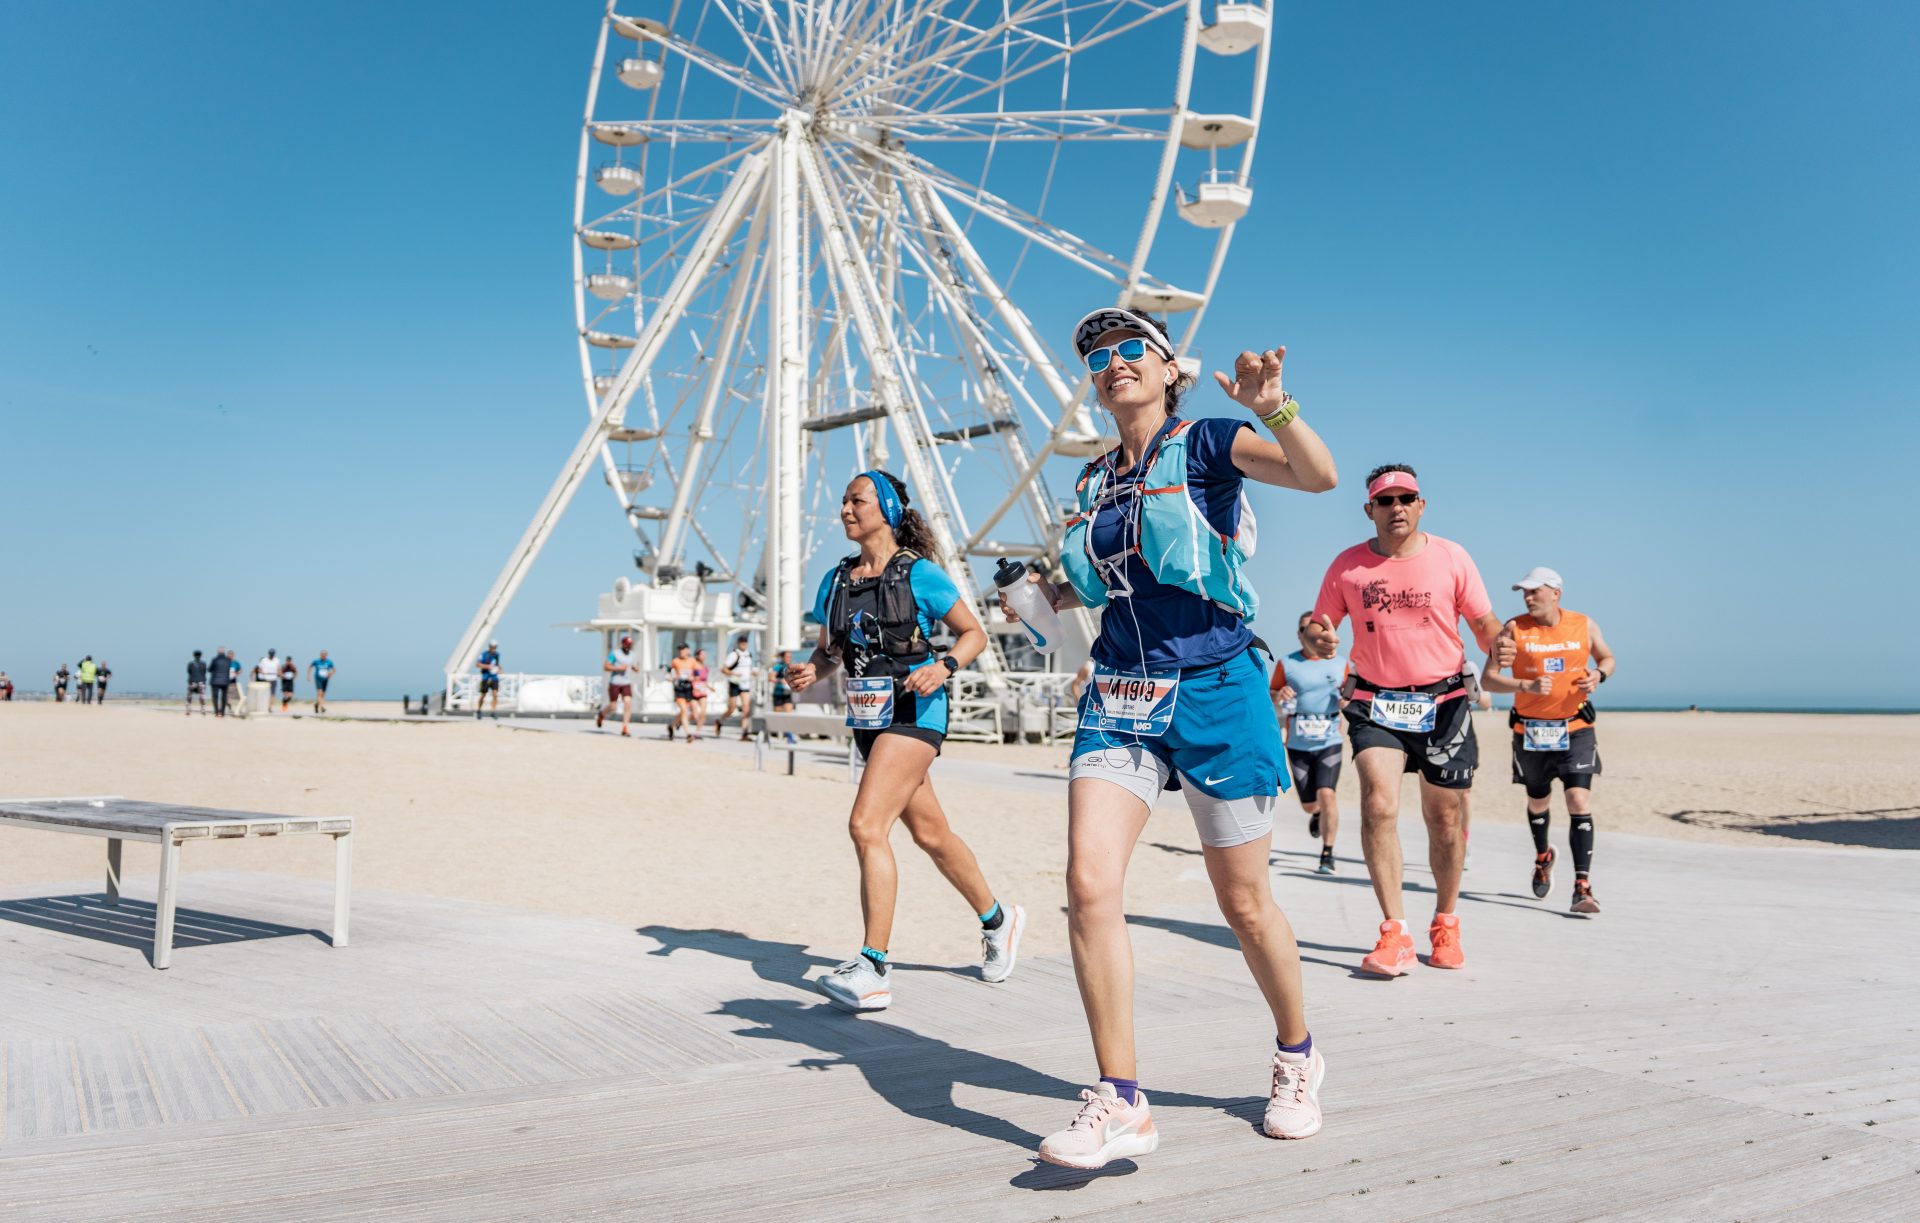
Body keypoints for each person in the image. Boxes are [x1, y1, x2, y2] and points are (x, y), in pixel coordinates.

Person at [1007, 309, 1336, 1170]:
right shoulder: (1090, 482)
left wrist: (1276, 406)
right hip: (1122, 690)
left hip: (1220, 685)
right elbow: (1100, 583)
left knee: (1245, 903)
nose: (1111, 365)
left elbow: (1320, 477)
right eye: (1097, 359)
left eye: (1128, 352)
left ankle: (1297, 1054)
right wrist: (1036, 597)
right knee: (1088, 882)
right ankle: (1121, 1099)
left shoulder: (1209, 445)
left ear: (1166, 368)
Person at [789, 470, 1026, 1015]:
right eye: (843, 501)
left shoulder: (921, 576)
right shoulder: (834, 582)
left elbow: (974, 635)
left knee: (866, 825)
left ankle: (873, 968)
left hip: (916, 712)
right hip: (869, 721)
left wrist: (942, 667)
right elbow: (831, 652)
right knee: (933, 835)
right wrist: (812, 671)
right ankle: (998, 920)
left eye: (857, 500)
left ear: (888, 509)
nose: (846, 510)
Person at [1308, 463, 1510, 977]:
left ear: (1421, 505)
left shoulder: (1452, 556)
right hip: (1376, 703)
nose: (1396, 507)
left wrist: (1499, 643)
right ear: (1369, 510)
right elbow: (1319, 626)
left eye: (1406, 498)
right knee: (1378, 804)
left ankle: (1445, 921)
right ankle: (1394, 931)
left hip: (1444, 703)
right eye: (1385, 500)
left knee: (1444, 818)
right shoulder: (1348, 567)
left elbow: (1484, 624)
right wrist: (1319, 638)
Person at [1480, 567, 1617, 915]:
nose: (1528, 598)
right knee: (1538, 802)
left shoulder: (1583, 624)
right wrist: (1524, 686)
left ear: (1555, 592)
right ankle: (1543, 856)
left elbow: (1607, 658)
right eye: (1524, 593)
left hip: (1576, 729)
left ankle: (1582, 887)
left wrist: (1598, 675)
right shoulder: (1513, 628)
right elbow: (1489, 679)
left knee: (1577, 800)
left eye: (1534, 591)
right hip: (1531, 732)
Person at [1270, 612, 1350, 875]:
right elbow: (1271, 695)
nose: (1312, 635)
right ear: (1299, 634)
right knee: (1309, 804)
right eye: (1306, 629)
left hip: (1330, 739)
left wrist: (1347, 701)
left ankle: (1327, 853)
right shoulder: (1288, 663)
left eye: (1316, 630)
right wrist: (1279, 694)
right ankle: (1316, 814)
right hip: (1298, 742)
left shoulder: (1341, 664)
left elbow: (1351, 696)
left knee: (1328, 794)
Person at [716, 635, 755, 740]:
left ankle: (744, 732)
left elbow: (747, 670)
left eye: (745, 643)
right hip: (734, 683)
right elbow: (724, 669)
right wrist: (734, 674)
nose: (744, 644)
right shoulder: (734, 654)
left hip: (745, 684)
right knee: (732, 708)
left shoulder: (749, 655)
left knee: (746, 707)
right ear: (738, 643)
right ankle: (720, 721)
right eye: (742, 642)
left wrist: (752, 673)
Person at [597, 635, 637, 736]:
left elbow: (631, 665)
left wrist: (634, 668)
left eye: (630, 645)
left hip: (626, 682)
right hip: (615, 682)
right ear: (623, 644)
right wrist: (618, 668)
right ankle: (602, 714)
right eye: (627, 645)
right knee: (613, 706)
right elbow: (606, 666)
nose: (628, 647)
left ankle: (625, 727)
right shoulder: (615, 654)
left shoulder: (632, 654)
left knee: (628, 703)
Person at [666, 643, 698, 739]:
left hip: (689, 688)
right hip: (679, 688)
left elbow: (697, 675)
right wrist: (673, 678)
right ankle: (688, 734)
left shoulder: (693, 661)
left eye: (683, 650)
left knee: (694, 713)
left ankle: (672, 725)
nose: (681, 652)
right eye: (680, 650)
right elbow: (668, 675)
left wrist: (692, 678)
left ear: (688, 650)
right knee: (684, 710)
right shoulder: (675, 661)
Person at [475, 641, 503, 718]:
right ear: (489, 646)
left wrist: (500, 669)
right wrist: (487, 666)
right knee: (483, 695)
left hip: (494, 677)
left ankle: (493, 712)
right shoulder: (484, 654)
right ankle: (479, 710)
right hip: (485, 677)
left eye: (495, 647)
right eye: (493, 647)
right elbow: (477, 664)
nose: (494, 648)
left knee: (495, 694)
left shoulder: (497, 655)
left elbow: (496, 664)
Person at [690, 648, 713, 737]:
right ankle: (682, 720)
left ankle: (697, 732)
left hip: (702, 691)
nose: (704, 656)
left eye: (705, 655)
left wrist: (710, 687)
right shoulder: (693, 665)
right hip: (693, 691)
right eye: (702, 654)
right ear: (697, 655)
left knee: (703, 713)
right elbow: (690, 677)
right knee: (695, 714)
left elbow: (704, 680)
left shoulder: (705, 668)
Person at [209, 649, 232, 717]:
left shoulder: (214, 659)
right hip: (225, 681)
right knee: (224, 697)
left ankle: (216, 712)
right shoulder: (228, 660)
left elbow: (210, 669)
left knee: (215, 697)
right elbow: (229, 669)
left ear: (218, 652)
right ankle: (222, 712)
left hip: (215, 681)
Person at [186, 650, 210, 715]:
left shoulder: (190, 663)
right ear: (201, 656)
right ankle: (203, 709)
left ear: (194, 655)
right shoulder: (204, 663)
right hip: (201, 681)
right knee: (202, 696)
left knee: (189, 695)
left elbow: (189, 672)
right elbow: (204, 672)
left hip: (192, 681)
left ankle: (188, 708)